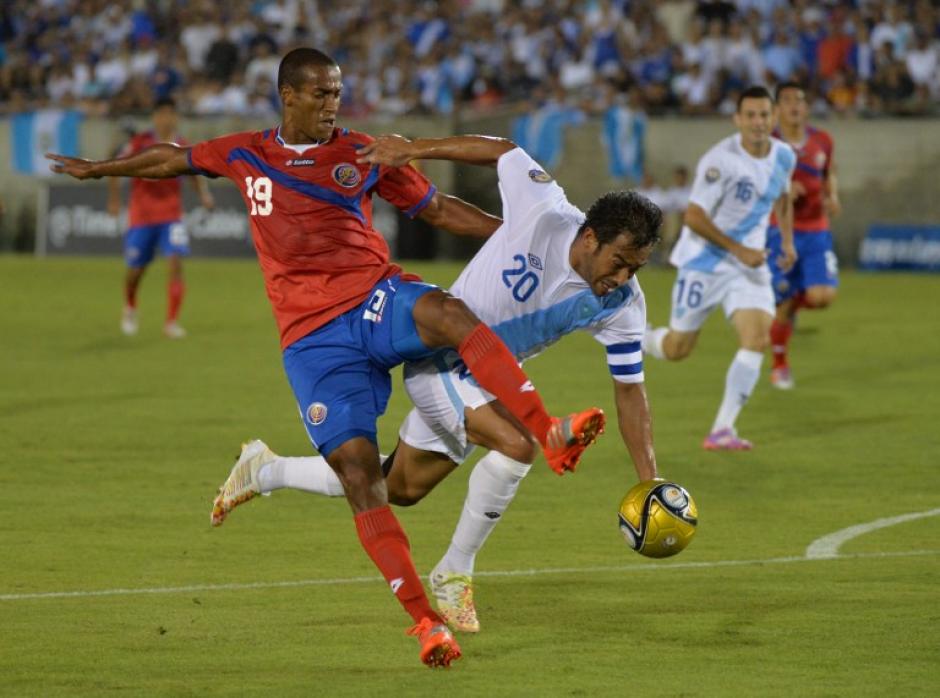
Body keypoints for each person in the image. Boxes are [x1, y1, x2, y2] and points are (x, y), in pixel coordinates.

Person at [47, 48, 604, 669]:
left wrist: (523, 233)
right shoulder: (243, 151)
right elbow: (174, 161)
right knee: (368, 480)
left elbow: (438, 210)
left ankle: (547, 428)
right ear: (288, 95)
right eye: (321, 95)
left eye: (338, 93)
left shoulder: (360, 152)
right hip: (312, 340)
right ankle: (424, 622)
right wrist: (101, 170)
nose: (333, 105)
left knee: (450, 316)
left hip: (372, 298)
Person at [211, 135, 664, 634]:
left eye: (635, 268)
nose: (623, 277)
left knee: (397, 488)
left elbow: (630, 389)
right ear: (589, 238)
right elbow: (502, 149)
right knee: (518, 444)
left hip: (491, 380)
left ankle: (265, 470)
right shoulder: (544, 208)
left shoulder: (623, 304)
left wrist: (650, 479)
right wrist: (415, 149)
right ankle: (455, 571)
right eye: (619, 262)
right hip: (442, 359)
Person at [642, 85, 796, 451]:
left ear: (773, 118)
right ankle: (636, 336)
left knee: (758, 338)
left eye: (764, 115)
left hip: (750, 265)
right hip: (704, 262)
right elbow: (694, 216)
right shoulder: (720, 161)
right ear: (738, 119)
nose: (759, 122)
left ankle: (722, 430)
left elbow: (784, 198)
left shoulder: (784, 156)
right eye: (751, 116)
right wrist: (738, 249)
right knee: (678, 348)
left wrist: (787, 242)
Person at [108, 97, 215, 338]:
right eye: (162, 114)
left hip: (172, 215)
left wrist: (204, 196)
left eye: (171, 114)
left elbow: (194, 174)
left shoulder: (182, 144)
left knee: (176, 264)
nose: (167, 118)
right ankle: (130, 307)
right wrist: (114, 199)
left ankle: (171, 322)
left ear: (176, 117)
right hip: (142, 216)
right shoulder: (140, 142)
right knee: (136, 271)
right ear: (155, 117)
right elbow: (116, 166)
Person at [766, 82, 840, 390]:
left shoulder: (822, 139)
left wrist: (833, 195)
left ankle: (794, 299)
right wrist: (781, 191)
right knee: (780, 306)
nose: (794, 105)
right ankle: (780, 366)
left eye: (799, 99)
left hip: (816, 230)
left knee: (822, 297)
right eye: (787, 100)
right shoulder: (768, 142)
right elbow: (757, 183)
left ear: (806, 107)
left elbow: (830, 172)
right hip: (780, 230)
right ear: (778, 109)